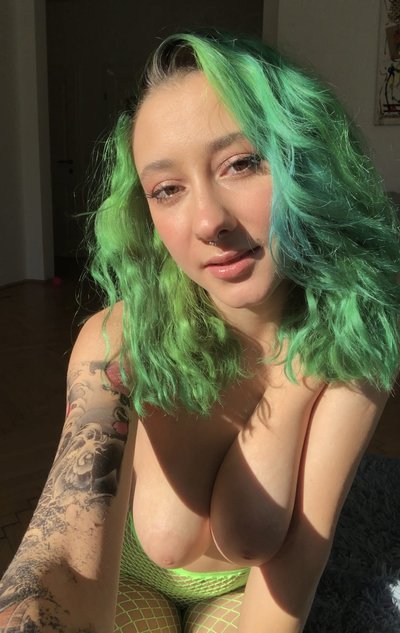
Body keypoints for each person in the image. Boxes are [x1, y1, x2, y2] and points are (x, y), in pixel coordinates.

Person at [0, 30, 399, 633]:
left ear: (306, 162)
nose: (209, 221)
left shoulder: (356, 341)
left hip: (241, 589)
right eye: (167, 190)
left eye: (240, 163)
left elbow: (295, 565)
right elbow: (63, 554)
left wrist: (298, 379)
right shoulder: (118, 341)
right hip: (129, 583)